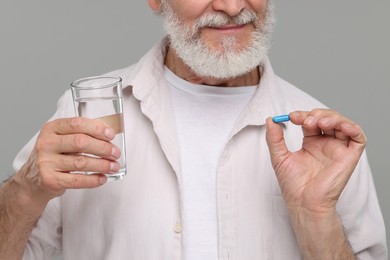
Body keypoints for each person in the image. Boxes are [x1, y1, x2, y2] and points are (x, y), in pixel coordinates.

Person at [0, 0, 387, 259]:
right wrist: (23, 191)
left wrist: (317, 218)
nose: (233, 7)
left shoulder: (325, 142)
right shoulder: (85, 116)